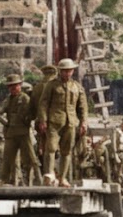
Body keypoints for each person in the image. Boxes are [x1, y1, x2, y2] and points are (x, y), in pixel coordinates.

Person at [36, 58, 88, 187]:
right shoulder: (52, 85)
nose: (67, 73)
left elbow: (83, 107)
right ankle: (49, 175)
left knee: (67, 151)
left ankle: (62, 178)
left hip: (70, 123)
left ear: (72, 71)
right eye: (64, 71)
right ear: (60, 71)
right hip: (54, 122)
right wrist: (43, 120)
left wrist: (83, 122)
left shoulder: (77, 87)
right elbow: (43, 103)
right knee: (51, 148)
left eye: (69, 71)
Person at [0, 73, 38, 185]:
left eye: (16, 85)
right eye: (11, 86)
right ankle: (3, 179)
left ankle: (38, 179)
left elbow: (32, 114)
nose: (13, 88)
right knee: (7, 158)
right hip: (11, 133)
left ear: (20, 85)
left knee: (31, 158)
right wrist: (7, 124)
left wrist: (26, 122)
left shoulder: (25, 98)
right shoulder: (8, 99)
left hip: (24, 132)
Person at [105, 116, 123, 185]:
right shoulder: (117, 132)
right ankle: (120, 184)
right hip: (119, 153)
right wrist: (115, 155)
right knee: (120, 170)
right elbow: (114, 144)